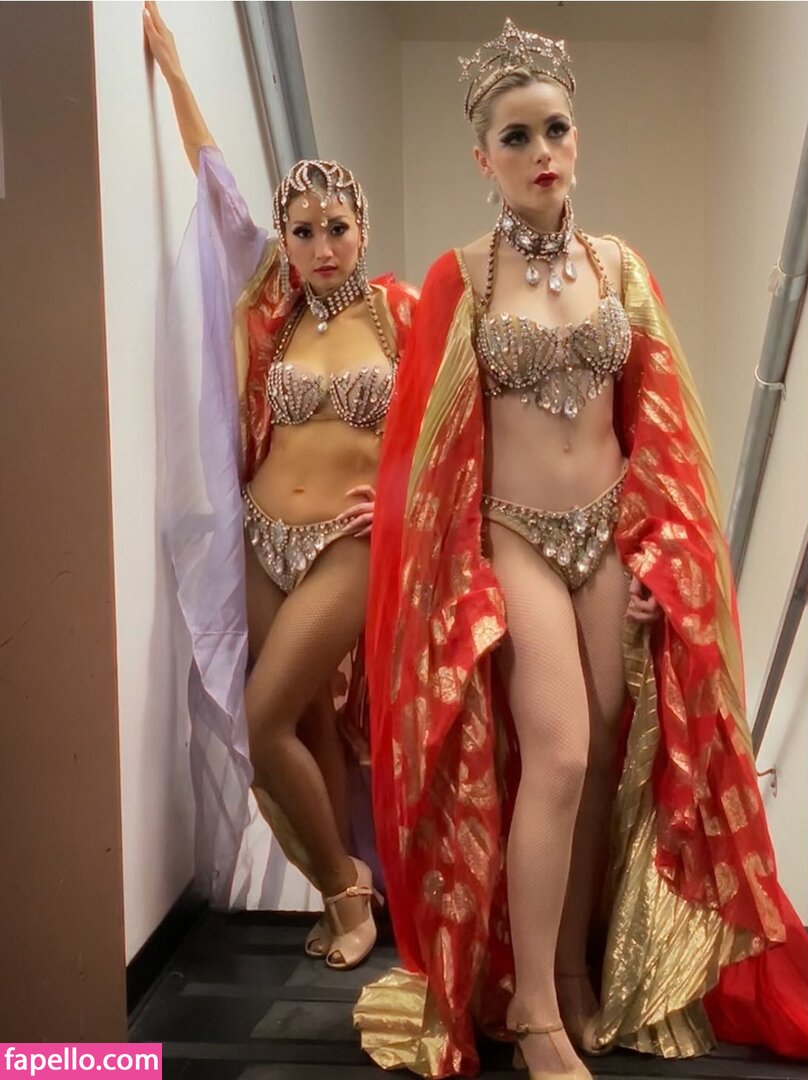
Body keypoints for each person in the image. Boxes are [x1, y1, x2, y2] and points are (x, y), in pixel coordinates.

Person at [354, 19, 808, 1078]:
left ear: (577, 135)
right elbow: (431, 452)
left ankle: (570, 971)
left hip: (607, 532)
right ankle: (529, 1008)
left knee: (608, 750)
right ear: (483, 158)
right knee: (557, 751)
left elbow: (662, 426)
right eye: (515, 137)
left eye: (555, 128)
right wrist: (447, 571)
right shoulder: (464, 280)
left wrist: (661, 553)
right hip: (514, 537)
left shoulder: (617, 267)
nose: (540, 152)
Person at [143, 0, 416, 969]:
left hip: (349, 544)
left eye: (335, 226)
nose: (320, 245)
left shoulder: (399, 315)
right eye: (303, 230)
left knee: (262, 720)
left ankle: (348, 891)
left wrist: (398, 503)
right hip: (263, 535)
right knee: (301, 721)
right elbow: (217, 185)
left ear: (361, 228)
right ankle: (343, 887)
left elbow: (450, 427)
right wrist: (177, 73)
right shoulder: (274, 302)